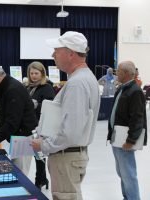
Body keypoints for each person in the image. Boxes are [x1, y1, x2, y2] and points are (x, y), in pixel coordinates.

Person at [31, 31, 100, 200]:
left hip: (66, 156)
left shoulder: (77, 83)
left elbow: (71, 132)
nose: (53, 54)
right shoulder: (85, 78)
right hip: (70, 156)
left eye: (57, 50)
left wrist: (43, 145)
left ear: (70, 54)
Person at [0, 63, 38, 175]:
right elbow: (5, 114)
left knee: (20, 173)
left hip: (24, 138)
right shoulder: (2, 87)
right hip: (17, 136)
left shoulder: (13, 90)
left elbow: (12, 121)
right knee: (15, 169)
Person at [107, 61, 147, 200]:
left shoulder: (135, 91)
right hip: (117, 138)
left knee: (128, 173)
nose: (116, 73)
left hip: (125, 140)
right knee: (122, 173)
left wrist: (131, 140)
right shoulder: (122, 88)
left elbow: (137, 118)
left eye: (118, 71)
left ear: (125, 73)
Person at [25, 61, 55, 190]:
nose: (34, 76)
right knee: (30, 154)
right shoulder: (28, 86)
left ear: (42, 73)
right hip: (27, 125)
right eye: (31, 73)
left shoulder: (47, 87)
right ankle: (42, 179)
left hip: (40, 126)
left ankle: (40, 179)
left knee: (39, 156)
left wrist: (35, 105)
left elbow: (50, 107)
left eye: (36, 73)